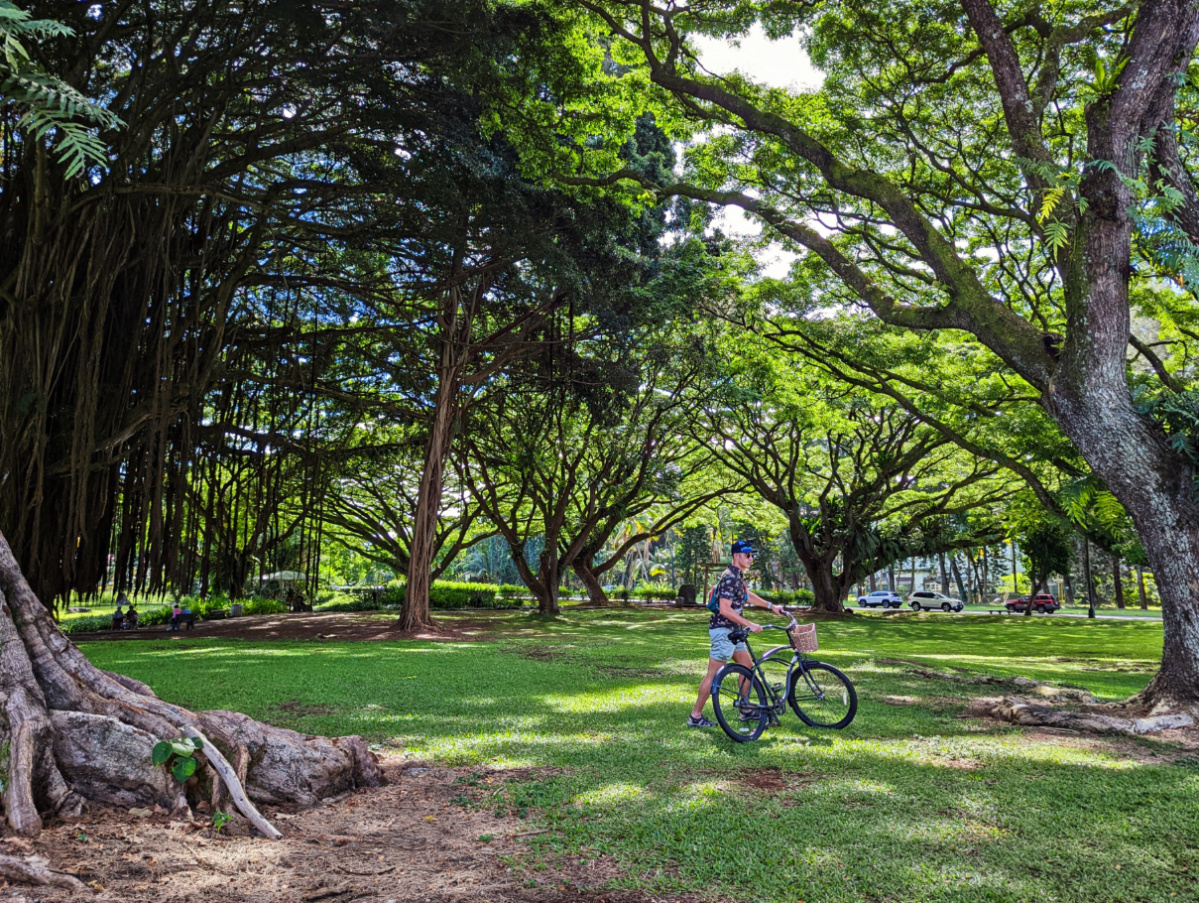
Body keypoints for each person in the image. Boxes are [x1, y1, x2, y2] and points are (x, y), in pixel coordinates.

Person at [687, 539, 787, 728]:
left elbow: (748, 596)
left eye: (752, 555)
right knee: (713, 675)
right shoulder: (729, 577)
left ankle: (745, 709)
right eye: (747, 555)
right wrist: (749, 623)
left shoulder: (738, 576)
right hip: (723, 631)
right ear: (736, 556)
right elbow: (725, 609)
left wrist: (771, 606)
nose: (751, 558)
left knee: (747, 667)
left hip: (734, 632)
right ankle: (695, 716)